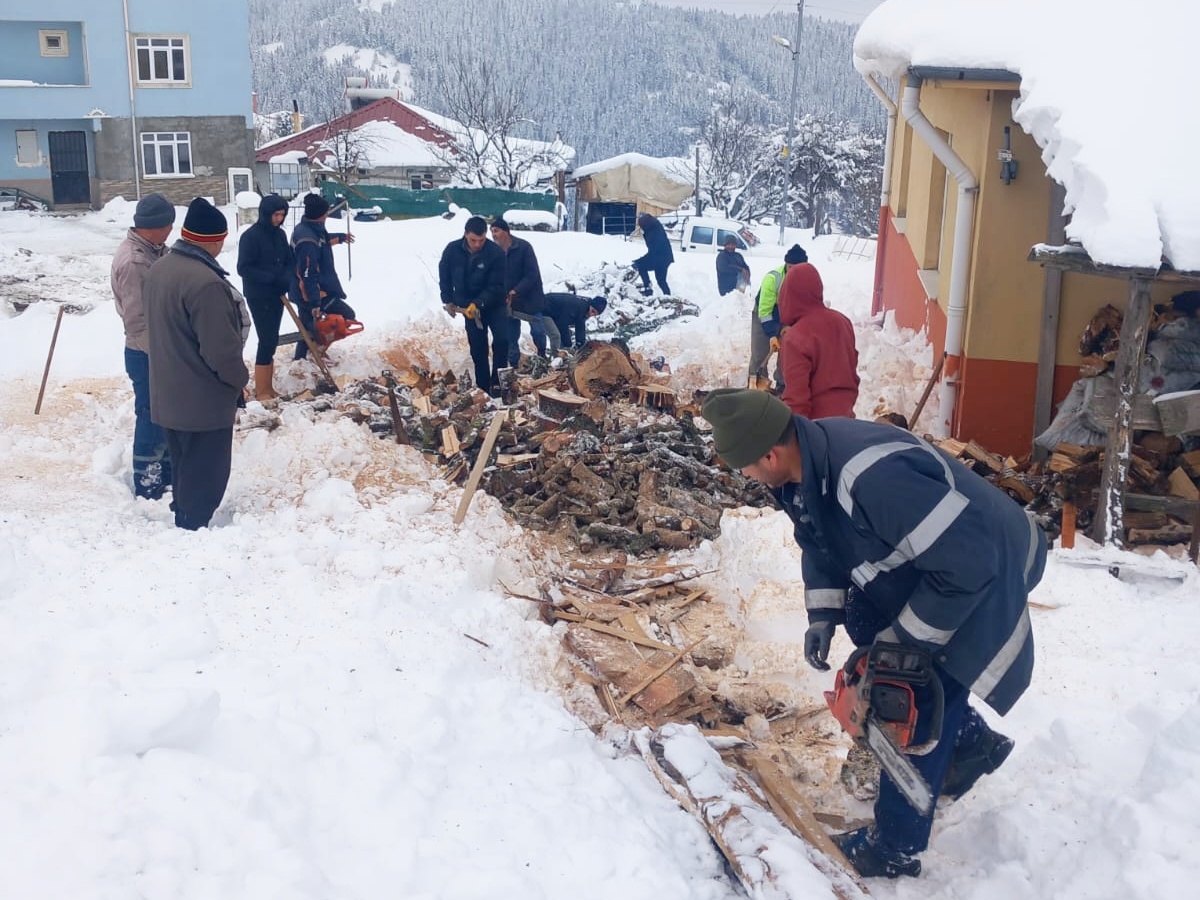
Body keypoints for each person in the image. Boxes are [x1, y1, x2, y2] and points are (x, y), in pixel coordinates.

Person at [700, 388, 1046, 879]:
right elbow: (818, 536)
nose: (748, 478)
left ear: (769, 454)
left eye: (746, 469)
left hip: (990, 560)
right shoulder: (803, 467)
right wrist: (823, 610)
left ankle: (895, 848)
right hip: (939, 560)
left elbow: (970, 567)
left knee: (907, 689)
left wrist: (901, 644)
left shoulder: (870, 479)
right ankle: (970, 748)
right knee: (866, 623)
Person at [144, 197, 250, 531]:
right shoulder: (206, 284)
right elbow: (220, 351)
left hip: (167, 390)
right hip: (201, 400)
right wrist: (238, 380)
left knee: (184, 462)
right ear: (214, 241)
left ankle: (185, 513)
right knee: (206, 469)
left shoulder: (159, 270)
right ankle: (192, 526)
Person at [111, 193, 176, 500]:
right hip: (146, 351)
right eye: (168, 224)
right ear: (154, 226)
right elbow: (137, 320)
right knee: (151, 414)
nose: (172, 230)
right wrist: (164, 354)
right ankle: (147, 479)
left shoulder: (155, 251)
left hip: (158, 348)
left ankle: (164, 471)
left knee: (163, 412)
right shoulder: (136, 262)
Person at [777, 261, 860, 418]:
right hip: (846, 420)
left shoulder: (795, 338)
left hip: (817, 428)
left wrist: (793, 437)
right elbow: (851, 371)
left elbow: (797, 401)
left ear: (788, 294)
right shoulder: (843, 322)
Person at [438, 215, 508, 394]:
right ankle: (483, 388)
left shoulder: (495, 253)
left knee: (501, 341)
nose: (477, 244)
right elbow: (444, 274)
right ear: (465, 234)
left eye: (481, 240)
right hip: (468, 308)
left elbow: (496, 285)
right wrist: (447, 298)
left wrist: (479, 303)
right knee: (478, 348)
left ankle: (498, 385)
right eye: (473, 240)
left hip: (494, 305)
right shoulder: (452, 250)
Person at [236, 194, 293, 399]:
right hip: (259, 295)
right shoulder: (251, 237)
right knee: (266, 338)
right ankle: (262, 389)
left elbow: (289, 260)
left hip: (277, 293)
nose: (279, 219)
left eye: (282, 215)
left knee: (272, 338)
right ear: (266, 214)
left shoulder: (280, 235)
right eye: (276, 214)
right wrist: (271, 278)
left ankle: (267, 387)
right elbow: (243, 268)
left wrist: (285, 278)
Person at [289, 192, 356, 361]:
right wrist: (314, 302)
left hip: (312, 289)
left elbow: (324, 239)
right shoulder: (307, 241)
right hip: (310, 292)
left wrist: (340, 237)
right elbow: (308, 274)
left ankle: (306, 356)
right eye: (326, 212)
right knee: (344, 315)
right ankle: (311, 353)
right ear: (321, 215)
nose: (328, 214)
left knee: (308, 327)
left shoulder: (311, 228)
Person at [489, 216, 547, 365]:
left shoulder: (523, 247)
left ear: (506, 231)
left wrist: (516, 290)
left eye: (496, 230)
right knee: (510, 337)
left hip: (530, 299)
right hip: (509, 303)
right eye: (491, 231)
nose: (493, 234)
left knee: (538, 331)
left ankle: (542, 356)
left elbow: (532, 274)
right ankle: (513, 366)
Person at [749, 244, 806, 391]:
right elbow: (765, 311)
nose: (794, 272)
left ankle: (782, 386)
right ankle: (756, 386)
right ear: (786, 264)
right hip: (764, 315)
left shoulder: (806, 281)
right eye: (791, 267)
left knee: (787, 353)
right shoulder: (773, 279)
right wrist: (772, 335)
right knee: (759, 353)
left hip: (787, 317)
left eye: (797, 268)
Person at [632, 212, 674, 296]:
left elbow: (655, 251)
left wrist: (640, 260)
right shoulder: (654, 227)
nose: (641, 228)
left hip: (661, 259)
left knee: (641, 266)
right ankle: (665, 295)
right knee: (661, 281)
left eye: (642, 226)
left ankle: (649, 290)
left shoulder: (653, 233)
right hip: (663, 257)